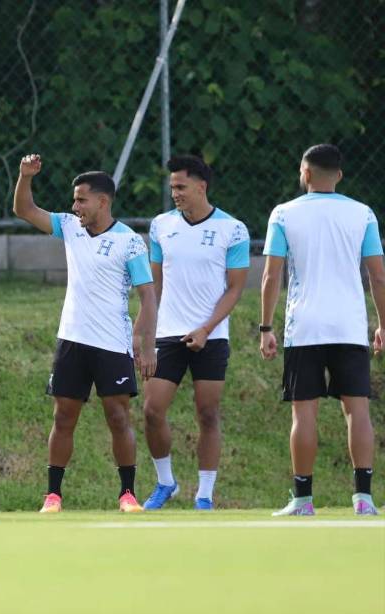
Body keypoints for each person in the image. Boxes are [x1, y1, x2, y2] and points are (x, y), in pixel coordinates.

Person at [12, 154, 157, 513]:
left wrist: (147, 344)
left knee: (118, 417)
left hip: (112, 344)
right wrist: (25, 177)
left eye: (81, 199)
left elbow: (148, 297)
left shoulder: (129, 242)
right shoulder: (69, 226)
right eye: (74, 199)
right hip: (72, 340)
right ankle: (53, 496)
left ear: (102, 202)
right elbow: (24, 209)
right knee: (63, 417)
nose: (74, 205)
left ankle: (127, 494)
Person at [260, 143, 383, 517]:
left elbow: (271, 275)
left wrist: (266, 326)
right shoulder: (362, 214)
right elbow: (377, 274)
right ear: (340, 175)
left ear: (305, 172)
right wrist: (382, 324)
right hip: (349, 326)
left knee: (304, 413)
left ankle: (303, 499)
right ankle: (363, 498)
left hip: (305, 328)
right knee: (357, 410)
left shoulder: (284, 213)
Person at [142, 156, 250, 510]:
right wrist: (142, 332)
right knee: (152, 410)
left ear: (201, 187)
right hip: (168, 333)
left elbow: (234, 288)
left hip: (212, 336)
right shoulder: (160, 226)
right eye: (172, 187)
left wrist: (206, 328)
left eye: (181, 187)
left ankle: (204, 493)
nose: (175, 193)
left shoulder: (232, 229)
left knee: (207, 413)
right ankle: (166, 483)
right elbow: (152, 286)